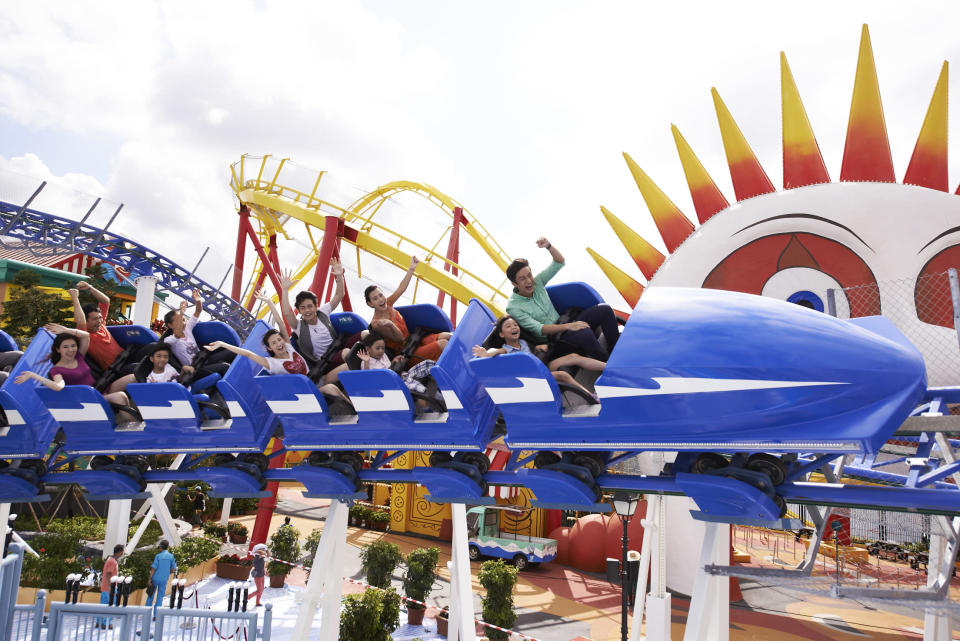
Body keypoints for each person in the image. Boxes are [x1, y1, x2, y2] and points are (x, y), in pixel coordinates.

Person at [205, 292, 346, 400]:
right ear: (269, 348)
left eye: (279, 340)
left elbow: (281, 323)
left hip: (316, 379)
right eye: (274, 343)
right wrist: (223, 344)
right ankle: (356, 416)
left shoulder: (289, 348)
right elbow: (247, 353)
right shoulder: (272, 363)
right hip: (306, 393)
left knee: (347, 365)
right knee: (331, 389)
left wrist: (269, 302)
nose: (279, 344)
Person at [505, 238, 619, 362]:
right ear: (514, 283)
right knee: (584, 333)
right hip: (554, 341)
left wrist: (548, 246)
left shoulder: (537, 282)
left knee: (605, 309)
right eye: (522, 279)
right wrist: (570, 326)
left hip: (565, 323)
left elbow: (559, 262)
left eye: (529, 275)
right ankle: (609, 363)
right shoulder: (513, 307)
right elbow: (540, 329)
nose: (528, 281)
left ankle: (616, 350)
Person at [473, 315, 603, 401]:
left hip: (540, 367)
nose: (514, 327)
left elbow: (530, 353)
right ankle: (590, 396)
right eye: (508, 326)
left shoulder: (522, 343)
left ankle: (608, 367)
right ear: (501, 334)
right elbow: (496, 352)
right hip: (533, 378)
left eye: (515, 325)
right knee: (563, 375)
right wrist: (486, 354)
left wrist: (538, 347)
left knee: (573, 357)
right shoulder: (506, 349)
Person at [278, 259, 358, 383]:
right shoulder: (299, 327)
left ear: (316, 306)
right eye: (303, 308)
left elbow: (339, 295)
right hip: (324, 363)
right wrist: (284, 290)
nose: (307, 311)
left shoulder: (323, 312)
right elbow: (287, 314)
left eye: (310, 306)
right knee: (347, 354)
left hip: (337, 347)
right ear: (299, 311)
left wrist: (339, 276)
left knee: (365, 334)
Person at [14, 324, 130, 407]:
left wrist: (65, 329)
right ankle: (125, 427)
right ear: (58, 350)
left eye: (73, 346)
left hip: (100, 388)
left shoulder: (78, 356)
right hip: (90, 400)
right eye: (65, 347)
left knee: (133, 377)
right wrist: (33, 375)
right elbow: (58, 386)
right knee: (120, 397)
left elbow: (85, 336)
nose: (71, 350)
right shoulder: (57, 369)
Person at [365, 256, 451, 365]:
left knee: (448, 336)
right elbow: (400, 338)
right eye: (375, 298)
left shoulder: (388, 303)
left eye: (381, 295)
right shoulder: (376, 324)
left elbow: (401, 288)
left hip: (415, 340)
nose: (381, 300)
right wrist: (391, 324)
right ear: (370, 303)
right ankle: (460, 368)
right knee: (443, 344)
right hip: (407, 353)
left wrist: (411, 269)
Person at [68, 281, 149, 393]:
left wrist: (90, 287)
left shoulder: (101, 325)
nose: (99, 321)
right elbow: (80, 320)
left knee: (153, 348)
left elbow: (105, 301)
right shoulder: (84, 334)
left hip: (127, 356)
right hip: (117, 368)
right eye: (95, 319)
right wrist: (75, 298)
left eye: (100, 318)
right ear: (86, 321)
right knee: (141, 367)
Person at [145, 539, 178, 618]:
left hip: (155, 578)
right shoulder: (171, 556)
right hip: (164, 579)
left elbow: (153, 568)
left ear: (161, 547)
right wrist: (167, 570)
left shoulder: (158, 556)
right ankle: (156, 615)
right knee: (160, 597)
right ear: (167, 547)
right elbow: (173, 568)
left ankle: (146, 613)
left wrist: (150, 578)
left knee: (150, 595)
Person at [97, 544, 124, 629]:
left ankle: (99, 622)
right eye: (123, 551)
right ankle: (106, 623)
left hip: (105, 587)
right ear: (120, 552)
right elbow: (108, 574)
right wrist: (110, 588)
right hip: (109, 587)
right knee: (110, 605)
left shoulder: (110, 559)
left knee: (103, 605)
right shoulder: (112, 561)